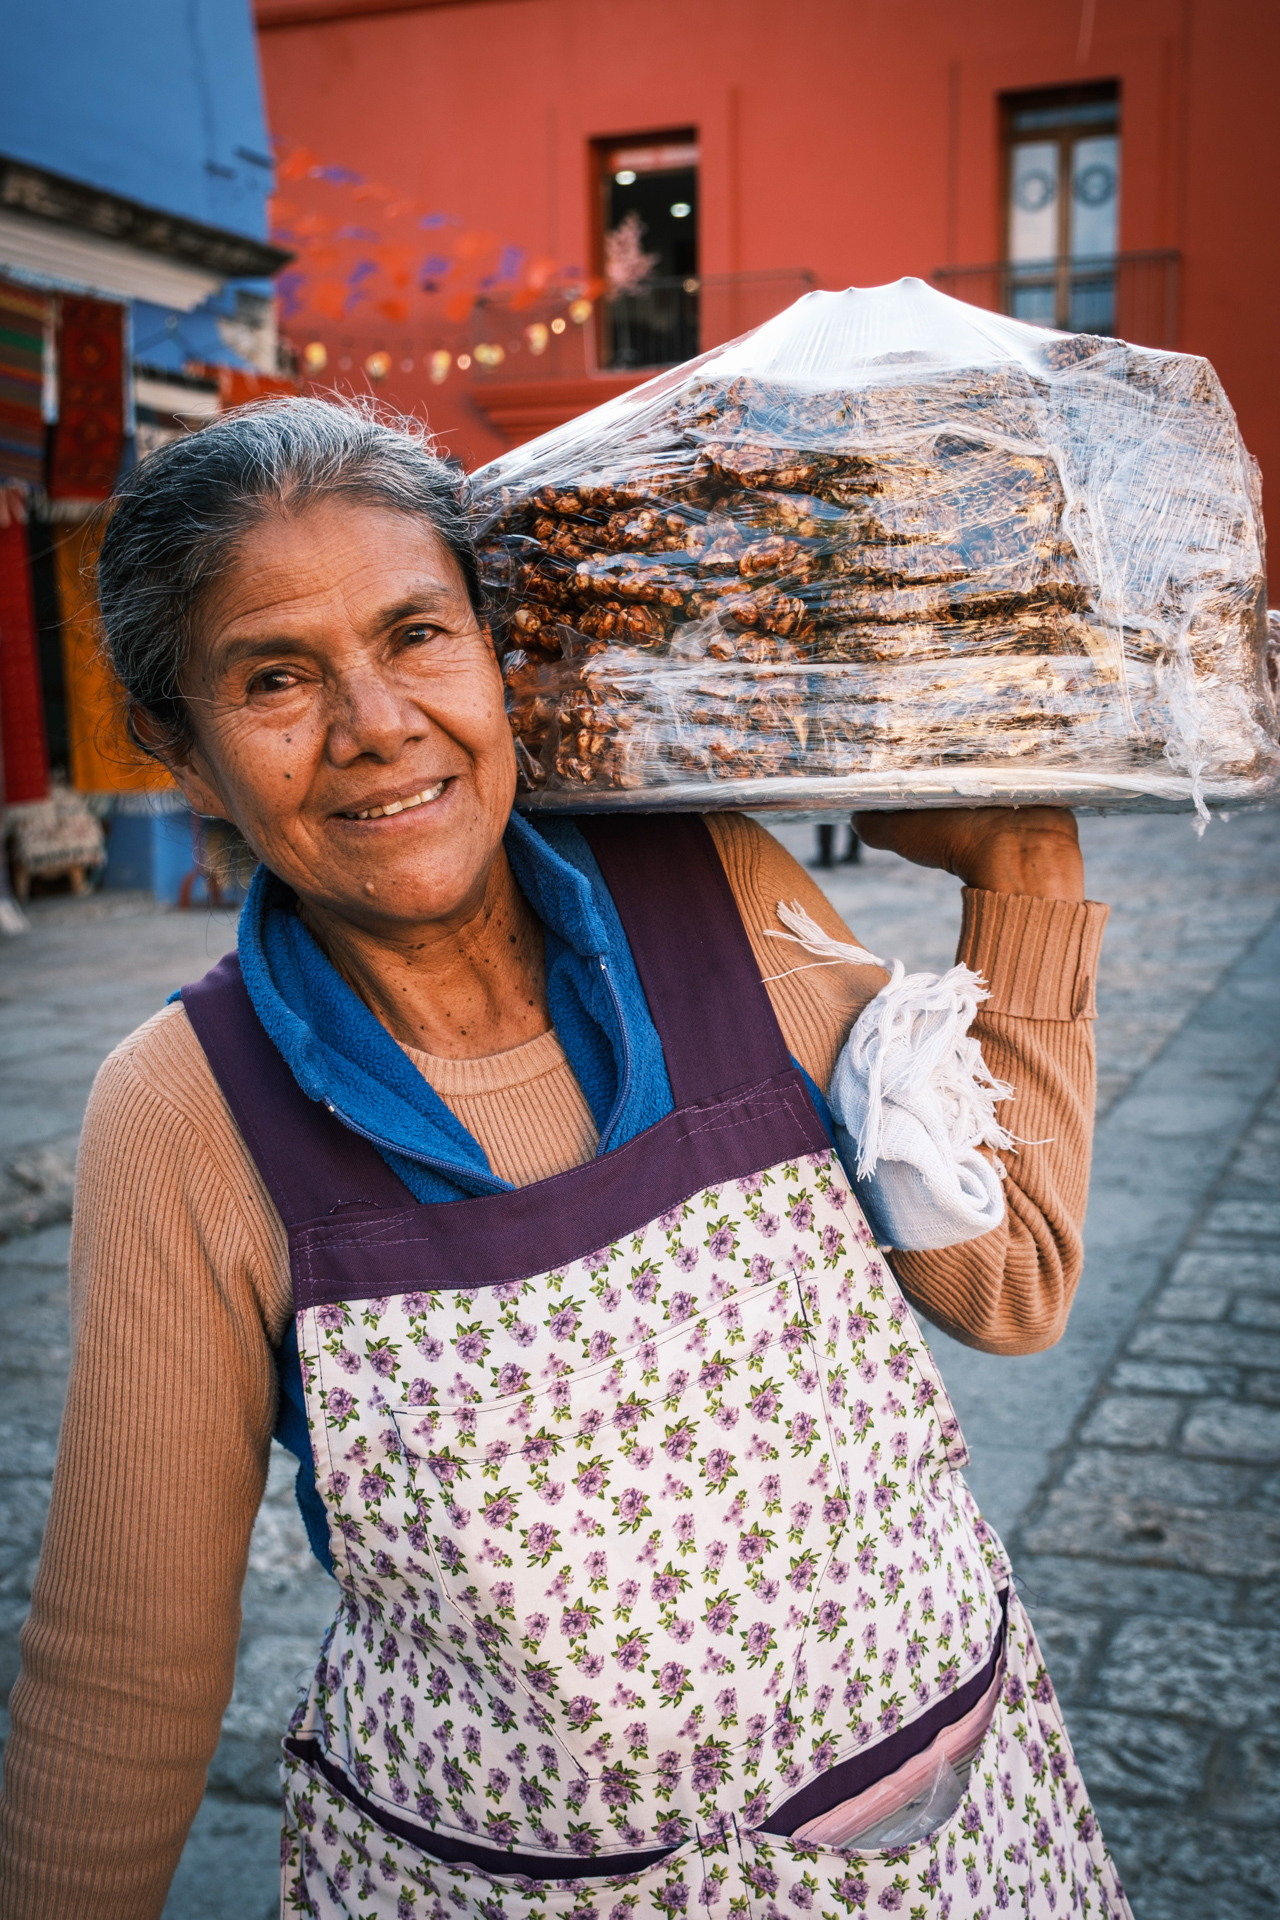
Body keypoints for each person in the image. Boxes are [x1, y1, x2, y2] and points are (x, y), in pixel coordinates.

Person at [0, 399, 1128, 1920]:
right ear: (186, 754)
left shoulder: (718, 893)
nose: (375, 723)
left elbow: (1010, 1284)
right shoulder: (189, 1114)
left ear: (496, 651)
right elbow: (125, 1672)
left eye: (416, 636)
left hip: (947, 1855)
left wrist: (1025, 863)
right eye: (276, 678)